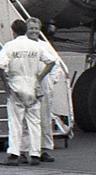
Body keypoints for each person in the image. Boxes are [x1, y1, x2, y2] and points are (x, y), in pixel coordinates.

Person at [0, 17, 58, 166]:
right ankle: (35, 154)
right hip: (33, 83)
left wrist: (5, 83)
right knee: (35, 121)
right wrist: (40, 77)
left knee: (16, 122)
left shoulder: (10, 46)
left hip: (16, 82)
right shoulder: (36, 46)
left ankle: (14, 154)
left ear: (14, 32)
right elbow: (51, 62)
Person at [19, 22, 69, 163]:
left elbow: (56, 64)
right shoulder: (21, 45)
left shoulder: (45, 46)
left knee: (44, 117)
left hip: (43, 82)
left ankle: (44, 149)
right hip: (27, 81)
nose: (34, 31)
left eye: (36, 28)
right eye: (31, 28)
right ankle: (23, 150)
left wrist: (51, 82)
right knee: (24, 118)